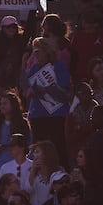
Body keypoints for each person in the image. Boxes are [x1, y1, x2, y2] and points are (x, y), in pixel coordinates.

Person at [26, 37, 72, 165]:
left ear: (47, 51)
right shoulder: (34, 68)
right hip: (38, 114)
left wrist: (46, 89)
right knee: (38, 148)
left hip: (57, 114)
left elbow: (64, 90)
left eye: (38, 51)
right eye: (34, 52)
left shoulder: (59, 65)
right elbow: (31, 89)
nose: (36, 55)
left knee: (58, 148)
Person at [0, 94, 32, 173]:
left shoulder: (22, 123)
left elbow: (29, 143)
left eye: (5, 103)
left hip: (20, 166)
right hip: (2, 165)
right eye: (1, 104)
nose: (2, 106)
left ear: (13, 105)